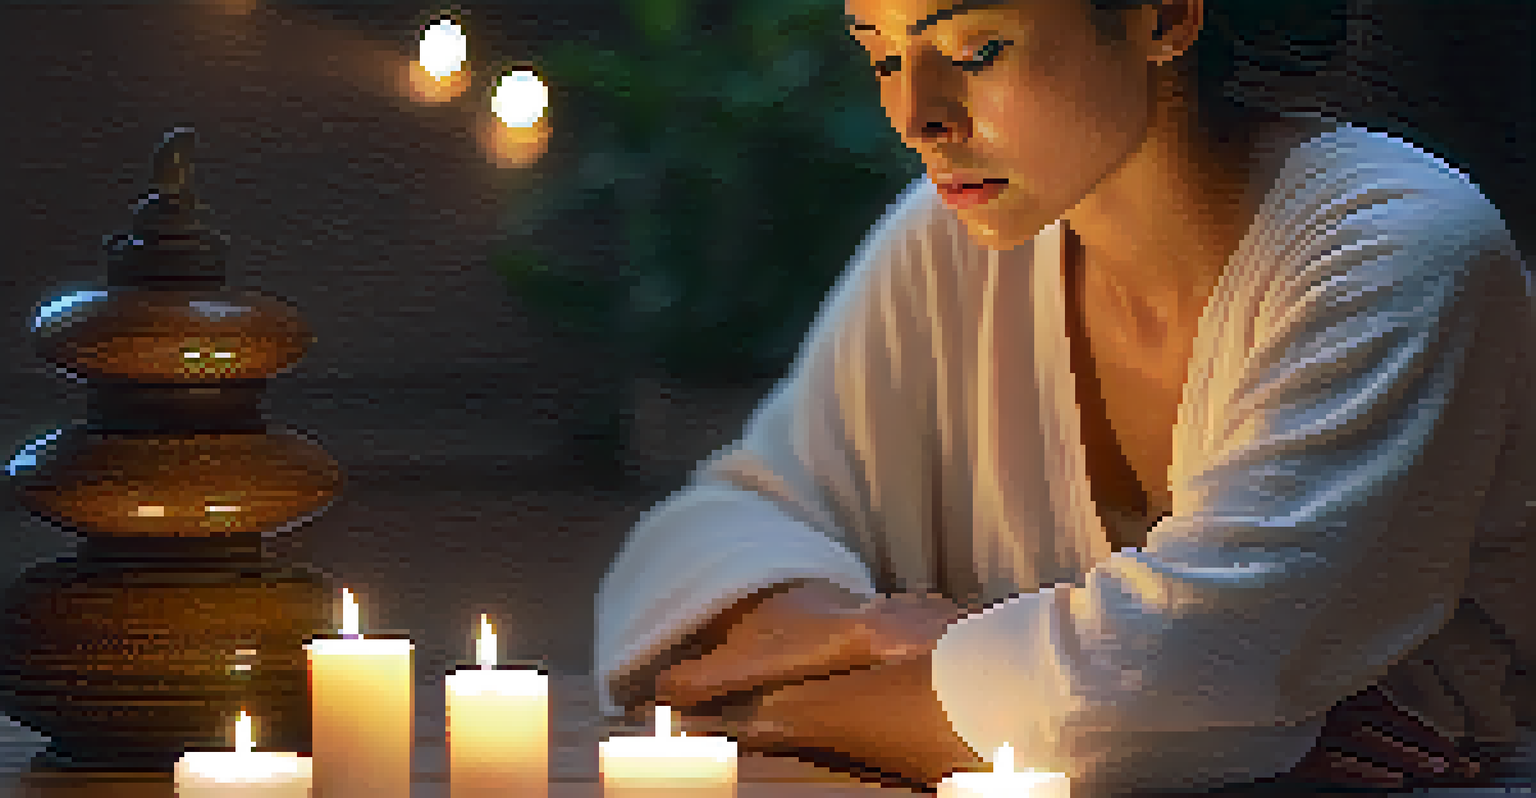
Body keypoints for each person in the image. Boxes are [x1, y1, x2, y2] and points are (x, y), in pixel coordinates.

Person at [594, 0, 1536, 792]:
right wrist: (872, 625)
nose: (914, 116)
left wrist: (765, 710)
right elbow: (687, 555)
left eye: (975, 50)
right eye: (880, 55)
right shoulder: (949, 241)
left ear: (1164, 14)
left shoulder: (1394, 251)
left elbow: (1162, 683)